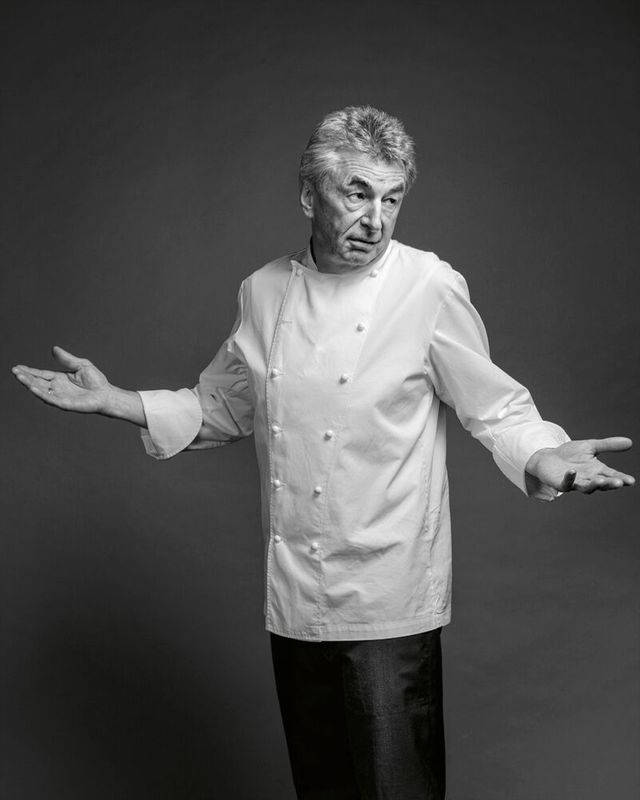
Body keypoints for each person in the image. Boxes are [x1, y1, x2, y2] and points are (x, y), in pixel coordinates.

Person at [12, 106, 634, 800]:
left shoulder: (427, 287)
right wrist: (116, 400)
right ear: (310, 196)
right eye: (358, 194)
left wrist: (546, 454)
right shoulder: (263, 291)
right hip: (294, 596)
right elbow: (226, 404)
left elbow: (495, 407)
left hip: (388, 595)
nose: (377, 220)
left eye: (392, 199)